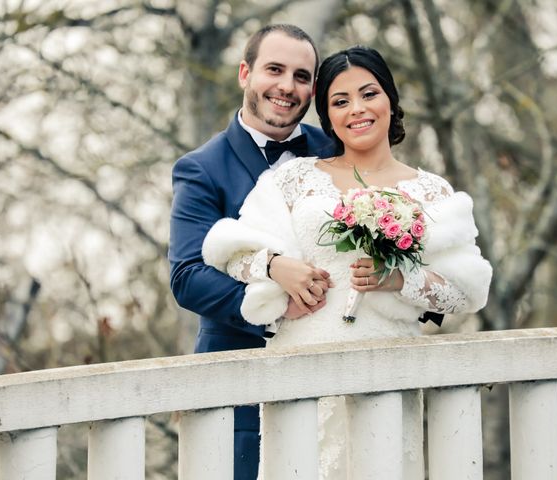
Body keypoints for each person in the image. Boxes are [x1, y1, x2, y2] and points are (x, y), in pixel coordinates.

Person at [202, 45, 493, 478]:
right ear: (327, 115)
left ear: (390, 100)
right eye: (340, 101)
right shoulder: (293, 179)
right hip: (300, 368)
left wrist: (400, 278)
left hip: (387, 371)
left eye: (369, 94)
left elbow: (466, 292)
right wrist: (274, 266)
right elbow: (230, 252)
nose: (357, 109)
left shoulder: (430, 192)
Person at [168, 24, 336, 480]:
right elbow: (186, 276)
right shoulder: (201, 168)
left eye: (301, 76)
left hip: (334, 379)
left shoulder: (336, 150)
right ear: (246, 73)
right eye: (274, 70)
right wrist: (276, 297)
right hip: (237, 387)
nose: (287, 86)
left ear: (313, 89)